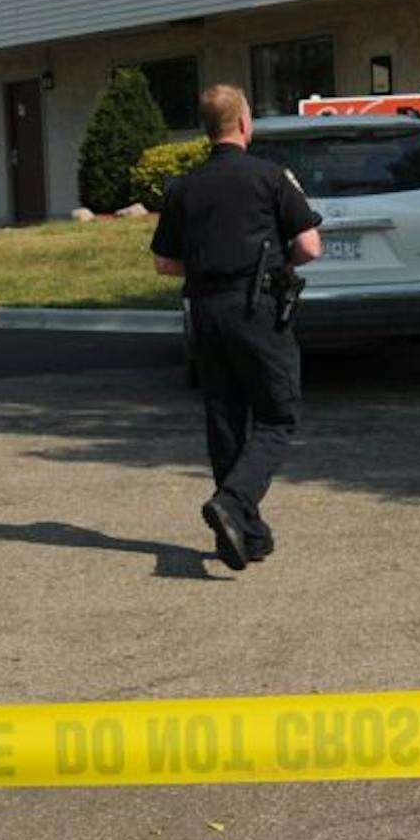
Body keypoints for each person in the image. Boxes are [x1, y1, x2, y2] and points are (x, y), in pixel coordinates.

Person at [150, 83, 320, 570]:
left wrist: (209, 267)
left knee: (225, 419)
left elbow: (165, 263)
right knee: (278, 416)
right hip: (258, 309)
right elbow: (310, 247)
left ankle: (247, 533)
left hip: (206, 312)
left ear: (207, 130)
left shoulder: (185, 187)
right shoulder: (269, 178)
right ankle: (233, 502)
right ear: (245, 123)